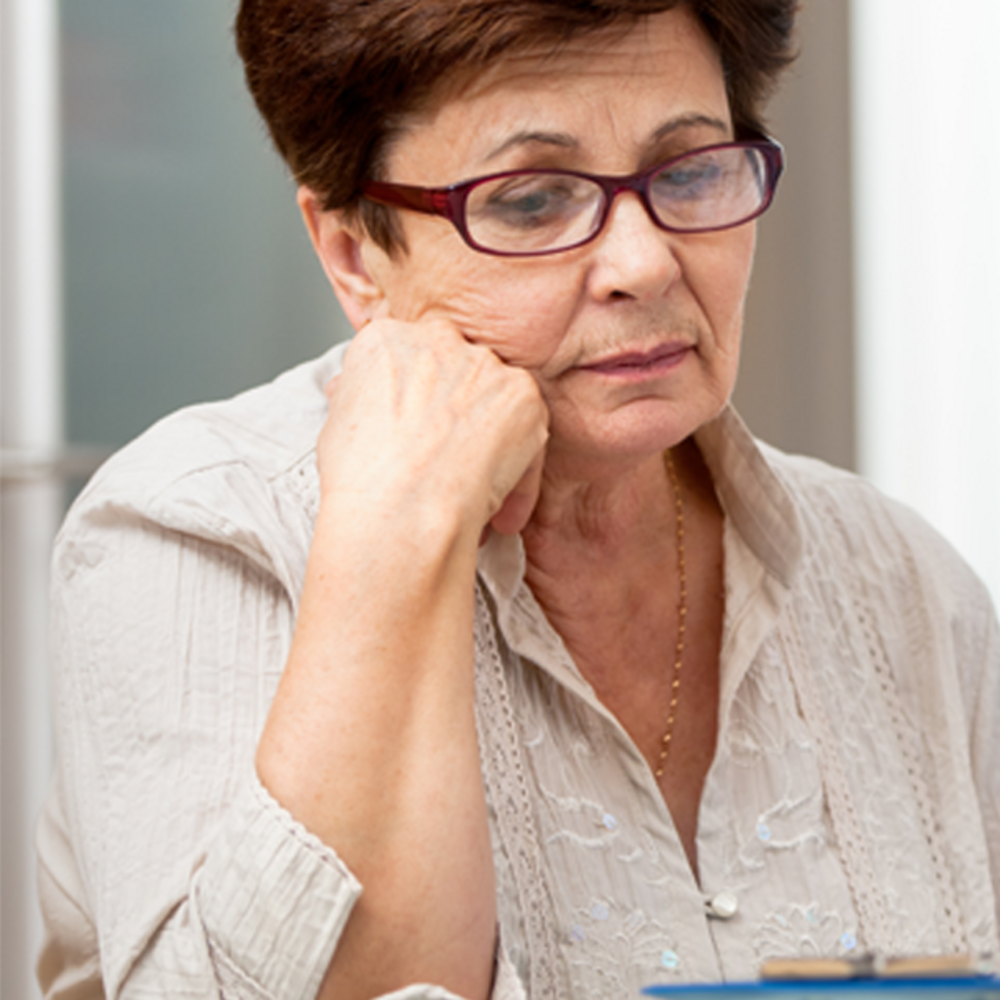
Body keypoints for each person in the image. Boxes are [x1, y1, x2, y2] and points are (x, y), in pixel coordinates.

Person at [36, 0, 1000, 998]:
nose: (643, 263)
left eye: (690, 171)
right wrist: (394, 532)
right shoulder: (196, 534)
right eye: (533, 200)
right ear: (353, 254)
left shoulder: (905, 584)